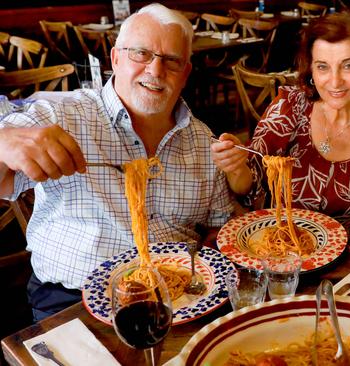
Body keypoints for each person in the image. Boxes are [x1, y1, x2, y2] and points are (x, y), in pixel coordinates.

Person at [0, 3, 235, 321]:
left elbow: (219, 226)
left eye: (171, 61)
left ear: (185, 74)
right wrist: (4, 142)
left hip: (179, 301)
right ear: (115, 58)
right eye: (141, 54)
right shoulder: (64, 116)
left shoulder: (202, 140)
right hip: (73, 301)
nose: (155, 70)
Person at [212, 11, 350, 254]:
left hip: (346, 260)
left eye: (348, 65)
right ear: (311, 70)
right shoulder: (289, 107)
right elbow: (248, 187)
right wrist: (236, 166)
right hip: (272, 252)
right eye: (323, 67)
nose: (335, 81)